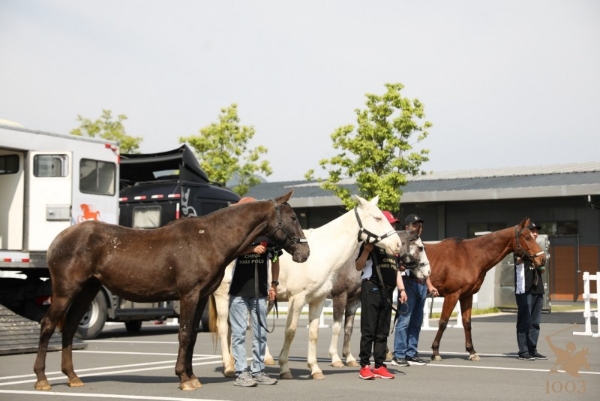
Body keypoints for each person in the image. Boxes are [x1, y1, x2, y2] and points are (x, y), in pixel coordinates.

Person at [229, 197, 282, 387]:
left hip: (260, 292)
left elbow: (275, 259)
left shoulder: (267, 235)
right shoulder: (237, 233)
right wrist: (251, 249)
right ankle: (242, 372)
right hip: (238, 291)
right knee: (239, 333)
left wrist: (274, 285)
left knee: (260, 334)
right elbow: (229, 251)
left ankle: (258, 371)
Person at [356, 210, 407, 380]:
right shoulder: (371, 244)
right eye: (390, 223)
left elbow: (396, 271)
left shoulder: (393, 248)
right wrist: (366, 251)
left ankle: (379, 365)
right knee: (369, 329)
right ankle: (364, 365)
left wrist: (402, 289)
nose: (392, 226)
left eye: (394, 224)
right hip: (371, 288)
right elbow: (358, 266)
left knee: (382, 331)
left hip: (387, 291)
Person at [391, 214, 438, 367]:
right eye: (415, 224)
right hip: (408, 283)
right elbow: (398, 264)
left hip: (421, 284)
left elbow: (423, 266)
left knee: (416, 322)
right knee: (404, 320)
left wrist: (429, 285)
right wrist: (401, 268)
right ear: (407, 227)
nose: (419, 227)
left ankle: (411, 353)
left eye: (419, 224)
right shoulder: (401, 242)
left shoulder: (419, 242)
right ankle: (399, 354)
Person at [514, 221, 547, 361]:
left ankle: (532, 349)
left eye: (536, 231)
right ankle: (523, 351)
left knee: (535, 322)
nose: (535, 233)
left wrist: (541, 264)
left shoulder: (537, 249)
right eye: (533, 231)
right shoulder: (520, 247)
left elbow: (542, 269)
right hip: (524, 288)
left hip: (537, 288)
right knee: (524, 320)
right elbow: (517, 260)